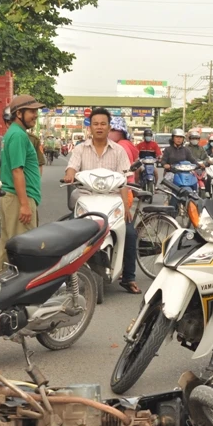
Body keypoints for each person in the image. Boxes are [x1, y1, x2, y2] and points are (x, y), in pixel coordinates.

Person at [63, 107, 140, 294]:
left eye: (103, 124)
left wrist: (125, 207)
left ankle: (128, 278)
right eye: (95, 124)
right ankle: (70, 277)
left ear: (109, 127)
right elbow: (72, 167)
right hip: (86, 199)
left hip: (113, 200)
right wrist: (69, 174)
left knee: (130, 233)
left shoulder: (119, 151)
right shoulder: (80, 149)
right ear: (90, 127)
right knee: (69, 235)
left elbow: (124, 181)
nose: (99, 127)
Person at [0, 95, 45, 271]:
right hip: (18, 198)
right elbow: (17, 171)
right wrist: (24, 204)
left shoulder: (15, 133)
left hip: (13, 198)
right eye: (31, 111)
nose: (35, 115)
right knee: (23, 250)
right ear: (19, 114)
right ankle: (17, 287)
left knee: (8, 246)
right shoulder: (18, 135)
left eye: (36, 111)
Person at [162, 128, 203, 206]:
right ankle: (166, 202)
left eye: (181, 137)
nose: (179, 139)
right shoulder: (168, 150)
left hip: (185, 173)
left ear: (183, 139)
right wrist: (166, 165)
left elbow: (192, 160)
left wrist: (199, 165)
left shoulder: (186, 150)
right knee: (167, 185)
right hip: (172, 173)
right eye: (177, 137)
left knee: (196, 185)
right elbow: (163, 161)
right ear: (173, 138)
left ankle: (195, 203)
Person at [109, 116, 139, 182]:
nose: (108, 133)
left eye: (112, 130)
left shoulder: (120, 146)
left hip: (120, 184)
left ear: (122, 132)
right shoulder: (126, 143)